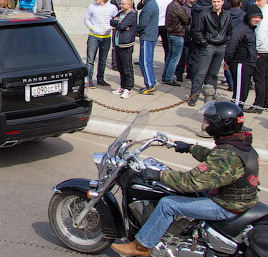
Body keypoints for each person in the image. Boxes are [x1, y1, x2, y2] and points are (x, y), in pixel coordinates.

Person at [111, 101, 259, 257]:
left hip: (226, 206)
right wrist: (189, 148)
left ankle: (141, 246)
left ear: (222, 124)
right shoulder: (239, 144)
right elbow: (213, 158)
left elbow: (191, 182)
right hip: (232, 199)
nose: (206, 124)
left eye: (209, 122)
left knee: (168, 204)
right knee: (179, 195)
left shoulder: (228, 155)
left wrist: (158, 175)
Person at [188, 0, 233, 107]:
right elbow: (197, 30)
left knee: (213, 74)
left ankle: (211, 96)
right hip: (208, 46)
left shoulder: (227, 15)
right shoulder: (205, 14)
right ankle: (194, 96)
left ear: (222, 2)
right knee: (201, 73)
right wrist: (205, 43)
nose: (216, 4)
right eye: (214, 1)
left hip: (220, 46)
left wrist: (225, 42)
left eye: (218, 1)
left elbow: (230, 30)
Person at [225, 5, 262, 110]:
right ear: (249, 17)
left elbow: (249, 45)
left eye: (259, 17)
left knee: (244, 92)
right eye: (255, 17)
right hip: (240, 63)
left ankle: (237, 119)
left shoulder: (250, 29)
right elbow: (232, 45)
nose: (257, 19)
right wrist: (228, 61)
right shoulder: (241, 28)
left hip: (248, 63)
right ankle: (234, 121)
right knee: (239, 95)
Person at [83, 0, 117, 88]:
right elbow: (86, 19)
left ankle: (100, 78)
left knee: (103, 59)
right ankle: (88, 79)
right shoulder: (92, 7)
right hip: (94, 36)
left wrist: (111, 27)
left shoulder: (112, 7)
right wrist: (92, 27)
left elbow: (116, 19)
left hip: (106, 37)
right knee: (90, 60)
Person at [110, 0, 137, 99]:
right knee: (120, 66)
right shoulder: (121, 13)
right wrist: (118, 23)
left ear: (129, 4)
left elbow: (121, 26)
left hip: (126, 43)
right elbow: (112, 22)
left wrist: (119, 24)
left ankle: (128, 88)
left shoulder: (132, 14)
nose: (121, 5)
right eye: (121, 4)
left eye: (123, 4)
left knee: (127, 67)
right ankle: (122, 86)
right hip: (117, 42)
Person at [162, 0, 190, 86]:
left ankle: (165, 76)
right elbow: (186, 19)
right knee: (174, 58)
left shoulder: (171, 5)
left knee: (170, 55)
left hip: (171, 33)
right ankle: (169, 78)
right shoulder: (177, 6)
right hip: (177, 34)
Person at [137, 0, 159, 95]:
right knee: (143, 61)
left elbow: (143, 22)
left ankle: (150, 84)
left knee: (146, 62)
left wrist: (136, 30)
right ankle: (149, 82)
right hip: (149, 35)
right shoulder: (149, 3)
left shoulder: (150, 5)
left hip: (147, 35)